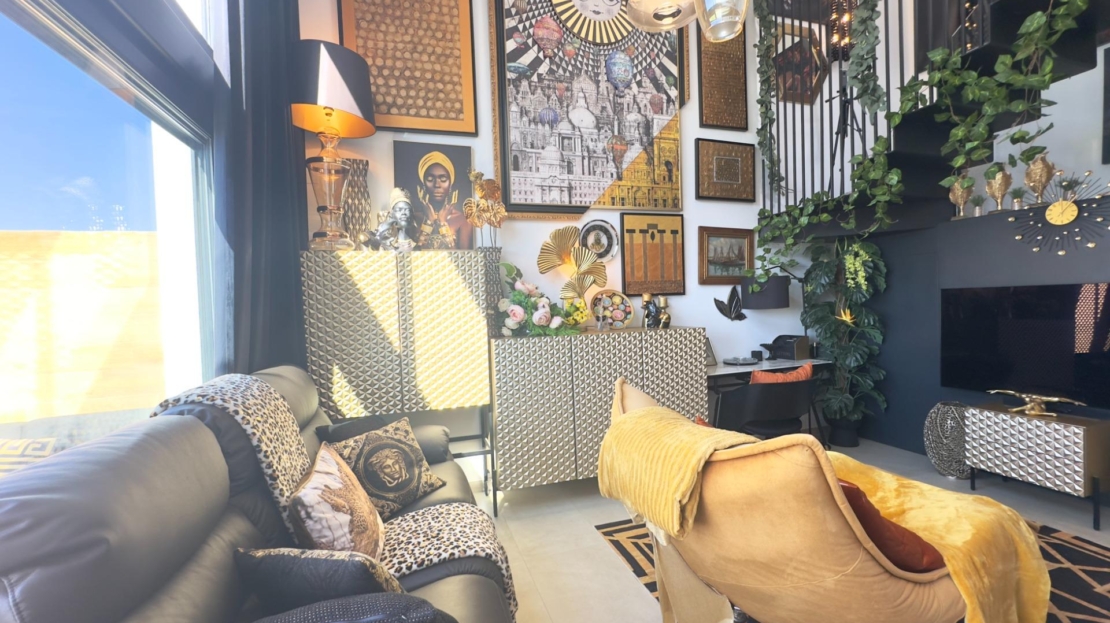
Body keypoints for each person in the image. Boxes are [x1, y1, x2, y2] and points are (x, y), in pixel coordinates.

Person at [415, 151, 473, 249]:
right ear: (424, 184)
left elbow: (463, 257)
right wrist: (429, 222)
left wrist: (443, 224)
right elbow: (412, 255)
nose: (437, 185)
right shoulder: (414, 218)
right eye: (430, 179)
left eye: (443, 179)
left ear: (450, 184)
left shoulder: (462, 219)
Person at [375, 188, 417, 252]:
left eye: (407, 210)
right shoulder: (387, 246)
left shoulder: (418, 245)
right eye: (399, 210)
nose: (403, 213)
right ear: (392, 214)